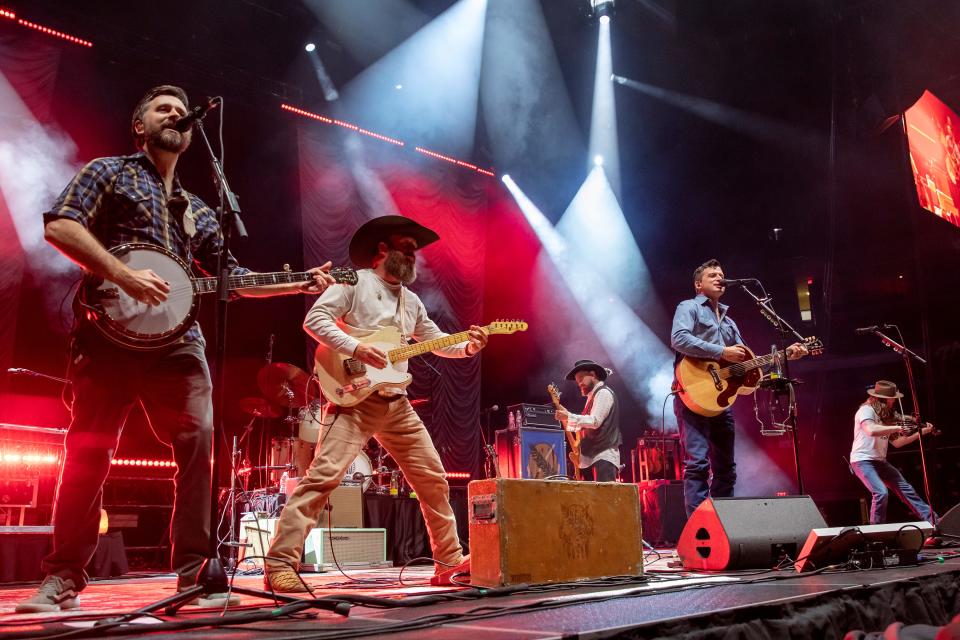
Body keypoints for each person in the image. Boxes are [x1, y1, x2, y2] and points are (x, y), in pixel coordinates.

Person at [17, 85, 334, 613]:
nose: (175, 113)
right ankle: (63, 577)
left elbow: (233, 280)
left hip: (179, 344)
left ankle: (194, 574)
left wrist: (299, 283)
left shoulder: (201, 211)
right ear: (139, 126)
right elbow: (60, 225)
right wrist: (121, 274)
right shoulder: (109, 172)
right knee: (89, 453)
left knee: (199, 444)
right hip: (107, 339)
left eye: (178, 109)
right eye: (161, 107)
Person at [264, 214, 488, 592]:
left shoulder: (412, 302)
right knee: (322, 478)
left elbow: (435, 339)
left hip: (395, 403)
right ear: (382, 249)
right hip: (353, 400)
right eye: (407, 248)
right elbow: (315, 319)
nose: (414, 256)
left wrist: (467, 345)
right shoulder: (354, 281)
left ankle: (448, 562)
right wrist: (356, 347)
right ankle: (279, 564)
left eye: (415, 252)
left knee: (433, 480)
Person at [671, 259, 807, 516]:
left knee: (727, 469)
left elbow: (749, 366)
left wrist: (785, 356)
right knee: (697, 465)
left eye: (722, 274)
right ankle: (699, 533)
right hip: (693, 393)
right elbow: (678, 338)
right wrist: (721, 351)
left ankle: (722, 527)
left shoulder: (730, 322)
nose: (719, 278)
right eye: (712, 274)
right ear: (698, 284)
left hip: (720, 402)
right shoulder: (689, 307)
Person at [850, 380, 937, 525]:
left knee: (907, 490)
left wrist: (922, 432)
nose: (894, 401)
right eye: (892, 398)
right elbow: (871, 430)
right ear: (883, 398)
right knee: (881, 492)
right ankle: (875, 534)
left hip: (880, 462)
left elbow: (898, 443)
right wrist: (896, 427)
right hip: (862, 461)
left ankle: (935, 523)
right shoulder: (866, 410)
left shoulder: (885, 416)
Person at [554, 359, 621, 482]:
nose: (579, 383)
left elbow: (595, 421)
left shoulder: (603, 393)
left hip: (603, 457)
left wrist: (568, 417)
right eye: (577, 380)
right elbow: (586, 425)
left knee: (603, 497)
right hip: (594, 458)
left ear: (593, 375)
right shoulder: (592, 397)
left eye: (581, 378)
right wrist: (567, 417)